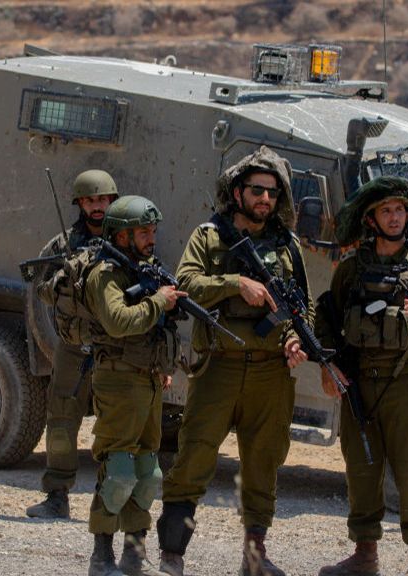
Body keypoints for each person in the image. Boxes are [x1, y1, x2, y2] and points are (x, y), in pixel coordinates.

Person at [156, 146, 309, 576]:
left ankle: (254, 559)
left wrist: (296, 339)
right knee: (195, 457)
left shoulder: (287, 246)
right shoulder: (209, 236)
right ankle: (172, 553)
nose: (265, 199)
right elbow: (184, 283)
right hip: (218, 366)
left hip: (270, 372)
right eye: (257, 190)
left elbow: (305, 308)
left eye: (273, 193)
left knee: (264, 464)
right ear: (238, 192)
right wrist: (234, 283)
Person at [315, 176, 408, 576]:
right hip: (359, 384)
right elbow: (325, 318)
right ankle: (365, 557)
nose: (394, 218)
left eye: (399, 211)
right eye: (386, 211)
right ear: (371, 219)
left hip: (406, 384)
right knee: (361, 471)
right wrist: (329, 365)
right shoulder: (351, 269)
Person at [85, 195, 181, 576]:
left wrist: (165, 362)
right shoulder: (104, 274)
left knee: (147, 473)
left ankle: (134, 552)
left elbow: (158, 329)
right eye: (143, 232)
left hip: (149, 379)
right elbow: (119, 321)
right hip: (118, 381)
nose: (150, 239)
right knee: (119, 471)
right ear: (122, 236)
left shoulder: (146, 270)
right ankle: (100, 556)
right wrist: (159, 302)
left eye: (152, 231)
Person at [26, 169, 119, 519]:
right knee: (62, 418)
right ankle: (57, 496)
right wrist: (66, 285)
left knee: (115, 425)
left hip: (115, 348)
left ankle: (110, 500)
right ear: (80, 203)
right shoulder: (61, 245)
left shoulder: (127, 239)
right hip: (73, 346)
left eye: (103, 200)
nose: (97, 207)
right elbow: (41, 288)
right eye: (90, 201)